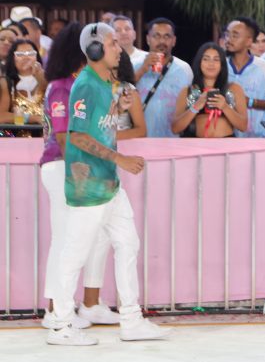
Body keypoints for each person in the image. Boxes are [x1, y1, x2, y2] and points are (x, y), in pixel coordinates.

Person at [47, 22, 168, 345]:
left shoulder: (105, 83)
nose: (120, 48)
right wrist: (120, 160)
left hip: (109, 186)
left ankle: (131, 320)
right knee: (74, 254)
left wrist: (118, 107)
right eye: (113, 43)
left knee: (128, 244)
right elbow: (78, 136)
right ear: (96, 50)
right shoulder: (85, 85)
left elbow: (100, 124)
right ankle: (60, 325)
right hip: (89, 187)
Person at [38, 22, 123, 330]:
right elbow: (64, 138)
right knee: (64, 238)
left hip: (78, 167)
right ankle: (53, 309)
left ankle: (89, 304)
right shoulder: (61, 86)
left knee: (97, 236)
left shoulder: (81, 82)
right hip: (65, 166)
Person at [171, 43, 248, 138]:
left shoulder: (234, 88)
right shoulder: (187, 91)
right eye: (206, 59)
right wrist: (196, 106)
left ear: (222, 64)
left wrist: (224, 107)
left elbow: (243, 126)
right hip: (195, 147)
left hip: (227, 148)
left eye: (216, 59)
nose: (211, 64)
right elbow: (175, 128)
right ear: (199, 62)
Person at [223, 16, 265, 138]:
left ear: (249, 41)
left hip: (257, 138)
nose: (229, 39)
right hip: (225, 138)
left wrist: (249, 101)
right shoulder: (220, 65)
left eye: (235, 35)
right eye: (227, 34)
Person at [135, 18, 193, 138]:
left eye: (167, 36)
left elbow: (190, 106)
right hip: (140, 140)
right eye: (156, 36)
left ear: (174, 41)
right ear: (148, 39)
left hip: (171, 141)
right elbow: (119, 93)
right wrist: (142, 70)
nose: (162, 41)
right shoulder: (134, 65)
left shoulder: (184, 69)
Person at [1, 37, 47, 129]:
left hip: (46, 137)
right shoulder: (6, 82)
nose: (26, 57)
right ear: (13, 58)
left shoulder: (47, 78)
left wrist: (40, 77)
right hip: (17, 139)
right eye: (20, 54)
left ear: (37, 56)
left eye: (30, 53)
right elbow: (1, 116)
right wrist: (32, 118)